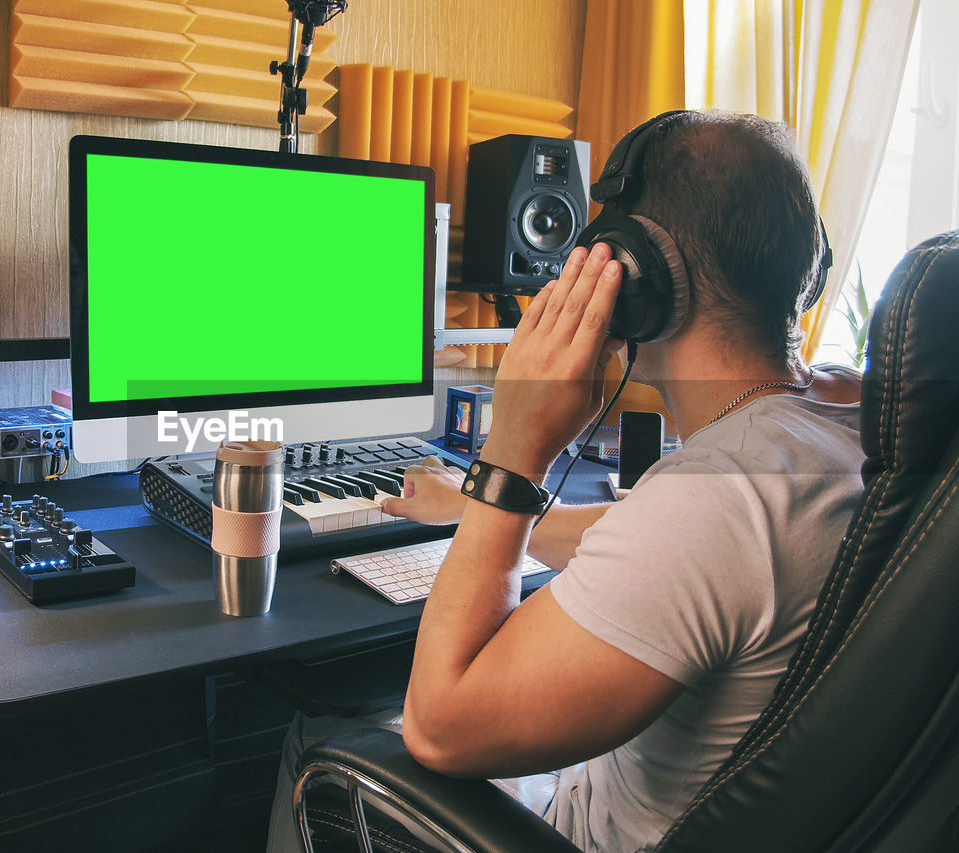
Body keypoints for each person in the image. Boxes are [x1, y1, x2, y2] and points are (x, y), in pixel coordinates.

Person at [266, 109, 864, 852]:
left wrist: (514, 450)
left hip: (576, 832)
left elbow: (437, 725)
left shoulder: (711, 499)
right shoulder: (847, 425)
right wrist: (470, 504)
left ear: (632, 271)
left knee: (318, 730)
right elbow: (670, 551)